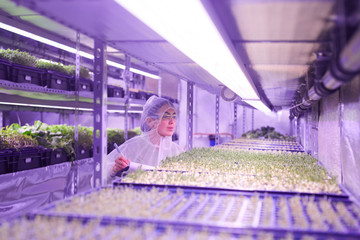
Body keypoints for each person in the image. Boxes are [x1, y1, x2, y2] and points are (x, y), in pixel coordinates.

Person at [107, 95, 184, 181]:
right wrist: (113, 170)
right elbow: (98, 178)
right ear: (150, 121)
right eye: (166, 116)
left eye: (174, 117)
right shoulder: (132, 147)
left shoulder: (178, 152)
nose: (172, 122)